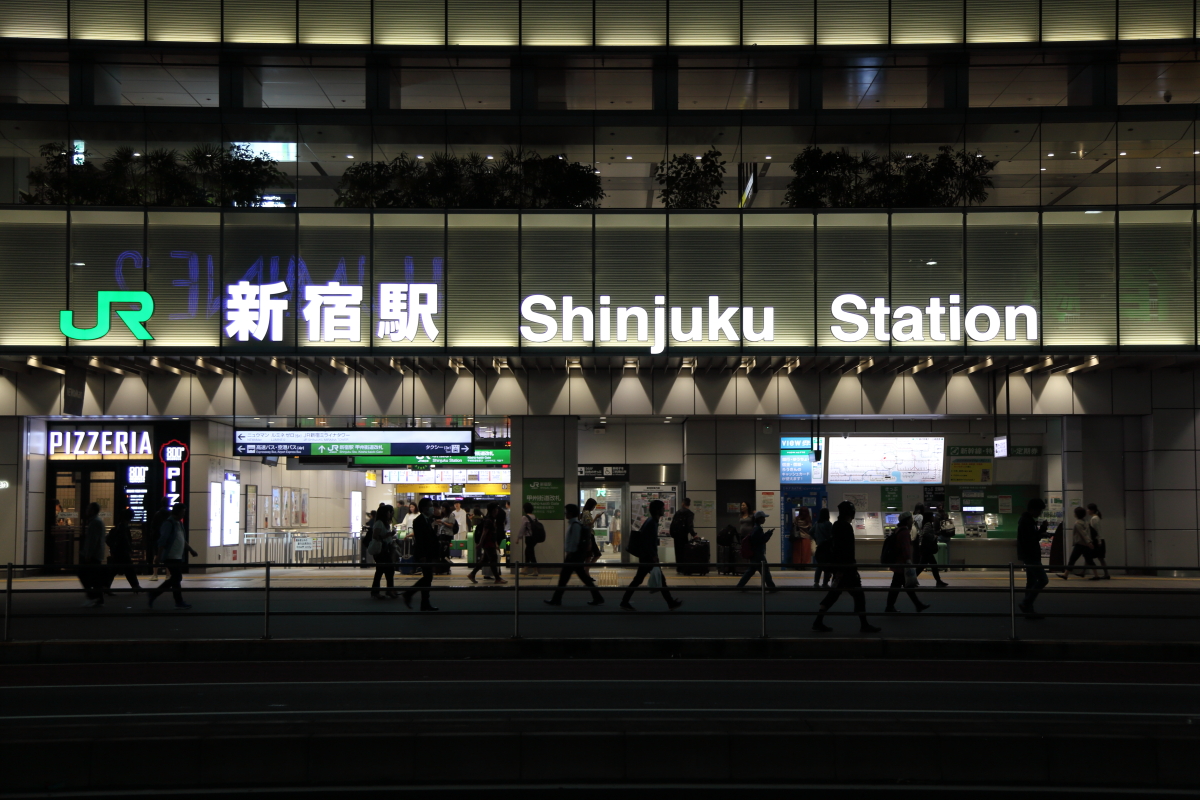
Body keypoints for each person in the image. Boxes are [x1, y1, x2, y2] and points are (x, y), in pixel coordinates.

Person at [812, 501, 880, 633]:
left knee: (834, 595)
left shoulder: (837, 525)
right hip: (847, 569)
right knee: (858, 596)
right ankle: (864, 624)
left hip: (840, 568)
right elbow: (846, 550)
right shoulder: (845, 527)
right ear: (850, 513)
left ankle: (818, 621)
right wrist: (848, 568)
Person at [620, 499, 683, 611]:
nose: (664, 509)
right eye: (663, 508)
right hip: (648, 557)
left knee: (640, 580)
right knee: (658, 580)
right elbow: (648, 542)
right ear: (658, 510)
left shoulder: (651, 521)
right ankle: (670, 602)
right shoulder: (652, 523)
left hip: (646, 556)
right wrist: (654, 556)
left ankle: (625, 601)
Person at [545, 504, 605, 606]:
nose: (565, 513)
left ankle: (556, 599)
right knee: (574, 578)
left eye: (566, 511)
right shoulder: (573, 524)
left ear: (571, 513)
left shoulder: (575, 525)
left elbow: (575, 542)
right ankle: (597, 597)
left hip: (573, 556)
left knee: (565, 578)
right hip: (574, 556)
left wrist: (570, 554)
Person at [148, 504, 197, 610]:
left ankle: (176, 601)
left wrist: (191, 550)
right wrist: (158, 556)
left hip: (177, 556)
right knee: (177, 577)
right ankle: (156, 594)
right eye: (183, 512)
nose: (184, 514)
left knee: (176, 579)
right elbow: (162, 540)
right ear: (178, 512)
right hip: (170, 556)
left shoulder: (179, 523)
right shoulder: (168, 523)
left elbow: (182, 540)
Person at [883, 511, 930, 613]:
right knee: (898, 586)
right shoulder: (904, 532)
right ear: (907, 520)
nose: (912, 521)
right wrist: (908, 560)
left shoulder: (898, 530)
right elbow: (905, 548)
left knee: (902, 586)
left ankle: (917, 605)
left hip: (898, 563)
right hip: (902, 564)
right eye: (911, 519)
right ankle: (890, 607)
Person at [402, 498, 440, 611]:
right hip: (424, 553)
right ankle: (409, 594)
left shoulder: (427, 519)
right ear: (424, 508)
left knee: (428, 577)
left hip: (428, 553)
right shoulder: (418, 520)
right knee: (428, 577)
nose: (432, 508)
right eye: (430, 506)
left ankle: (424, 603)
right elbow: (420, 539)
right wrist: (423, 555)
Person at [1017, 497, 1050, 619]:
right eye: (1039, 510)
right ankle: (1026, 603)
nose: (1039, 513)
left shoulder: (1026, 520)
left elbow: (1030, 538)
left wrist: (1041, 531)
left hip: (1029, 555)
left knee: (1031, 582)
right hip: (1031, 555)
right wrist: (1041, 531)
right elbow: (1030, 540)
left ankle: (1029, 609)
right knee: (1043, 580)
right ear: (1033, 509)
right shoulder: (1027, 521)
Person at [736, 510, 778, 592]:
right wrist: (769, 534)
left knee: (750, 571)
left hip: (755, 554)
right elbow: (761, 540)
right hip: (758, 554)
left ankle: (739, 586)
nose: (764, 519)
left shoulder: (755, 528)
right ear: (759, 519)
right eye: (763, 518)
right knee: (765, 571)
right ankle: (772, 588)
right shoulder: (758, 529)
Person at [104, 506, 142, 594]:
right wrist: (129, 548)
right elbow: (125, 539)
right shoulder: (123, 527)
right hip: (121, 551)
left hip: (118, 551)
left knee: (116, 569)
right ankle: (135, 586)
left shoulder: (120, 526)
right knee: (128, 569)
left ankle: (106, 587)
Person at [468, 504, 507, 584]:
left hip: (490, 543)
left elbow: (493, 533)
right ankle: (497, 578)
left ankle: (472, 574)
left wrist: (496, 543)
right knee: (493, 559)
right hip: (488, 543)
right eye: (496, 509)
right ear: (493, 510)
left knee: (485, 560)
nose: (497, 511)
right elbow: (484, 533)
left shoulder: (491, 519)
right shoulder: (488, 520)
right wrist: (480, 543)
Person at [78, 502, 108, 607]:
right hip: (96, 554)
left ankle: (92, 597)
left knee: (82, 573)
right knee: (96, 578)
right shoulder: (97, 521)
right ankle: (98, 599)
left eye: (88, 508)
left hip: (93, 555)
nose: (86, 510)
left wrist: (88, 554)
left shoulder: (94, 522)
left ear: (92, 511)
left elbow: (92, 540)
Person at [1060, 506, 1099, 580]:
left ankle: (1066, 575)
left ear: (1077, 514)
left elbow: (1083, 534)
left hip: (1080, 544)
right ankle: (1096, 575)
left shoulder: (1078, 523)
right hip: (1085, 545)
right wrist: (1089, 542)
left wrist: (1088, 542)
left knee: (1072, 559)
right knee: (1089, 560)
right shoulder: (1086, 521)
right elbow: (1087, 533)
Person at [370, 504, 398, 599]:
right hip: (381, 551)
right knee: (380, 571)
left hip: (387, 549)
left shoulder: (385, 523)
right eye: (389, 512)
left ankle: (389, 590)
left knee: (389, 570)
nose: (390, 514)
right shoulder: (379, 523)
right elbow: (375, 536)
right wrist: (389, 534)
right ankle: (376, 591)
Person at [914, 511, 949, 587]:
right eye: (932, 516)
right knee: (927, 565)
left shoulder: (927, 524)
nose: (933, 518)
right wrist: (934, 537)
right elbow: (925, 534)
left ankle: (938, 581)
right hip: (927, 549)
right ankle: (911, 580)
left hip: (926, 549)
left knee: (926, 565)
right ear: (929, 517)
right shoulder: (928, 524)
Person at [670, 497, 696, 573]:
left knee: (678, 552)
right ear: (689, 504)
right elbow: (689, 525)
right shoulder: (690, 513)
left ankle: (679, 568)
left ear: (683, 504)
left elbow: (673, 524)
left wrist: (673, 534)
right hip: (683, 535)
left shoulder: (677, 512)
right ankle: (684, 568)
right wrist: (693, 534)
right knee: (684, 552)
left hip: (676, 536)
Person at [147, 499, 171, 580]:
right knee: (167, 556)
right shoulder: (170, 514)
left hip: (157, 538)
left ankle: (155, 574)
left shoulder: (157, 514)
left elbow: (153, 527)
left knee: (156, 555)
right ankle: (168, 575)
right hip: (168, 538)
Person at [1087, 503, 1112, 580]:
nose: (1087, 510)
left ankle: (1100, 574)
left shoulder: (1094, 519)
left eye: (1088, 509)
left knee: (1090, 556)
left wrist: (1098, 541)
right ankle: (1106, 574)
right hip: (1099, 540)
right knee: (1099, 558)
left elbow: (1096, 531)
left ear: (1092, 510)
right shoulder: (1096, 518)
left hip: (1097, 541)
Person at [811, 507, 834, 588]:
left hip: (819, 547)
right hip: (827, 547)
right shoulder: (828, 524)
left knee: (819, 566)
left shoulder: (817, 523)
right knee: (827, 565)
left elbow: (810, 532)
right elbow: (831, 535)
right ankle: (825, 583)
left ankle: (816, 583)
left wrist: (816, 539)